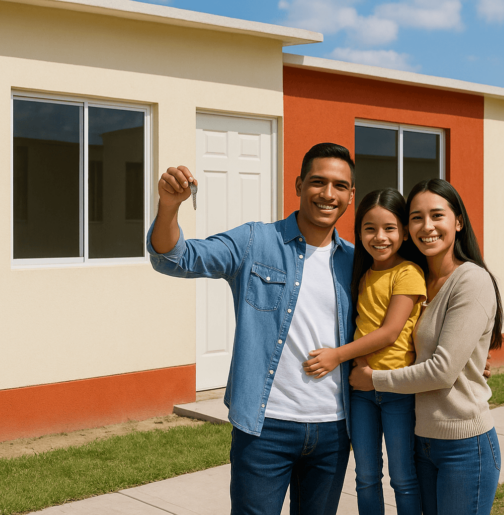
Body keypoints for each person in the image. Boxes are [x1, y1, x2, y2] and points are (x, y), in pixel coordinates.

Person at [147, 143, 357, 515]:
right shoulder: (255, 241)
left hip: (334, 429)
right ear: (298, 185)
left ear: (350, 195)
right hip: (265, 429)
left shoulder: (357, 261)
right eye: (318, 182)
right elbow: (176, 258)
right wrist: (169, 206)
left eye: (339, 186)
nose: (328, 194)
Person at [349, 178, 504, 515]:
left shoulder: (471, 280)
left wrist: (372, 379)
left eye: (437, 215)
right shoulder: (417, 277)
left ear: (458, 221)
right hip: (424, 441)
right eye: (417, 217)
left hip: (464, 444)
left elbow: (442, 371)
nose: (427, 226)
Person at [302, 188, 426, 515]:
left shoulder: (408, 273)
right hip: (361, 393)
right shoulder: (363, 273)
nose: (379, 237)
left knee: (403, 478)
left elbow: (389, 333)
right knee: (366, 477)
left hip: (397, 390)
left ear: (403, 232)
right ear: (358, 232)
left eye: (389, 228)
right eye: (369, 228)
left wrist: (337, 355)